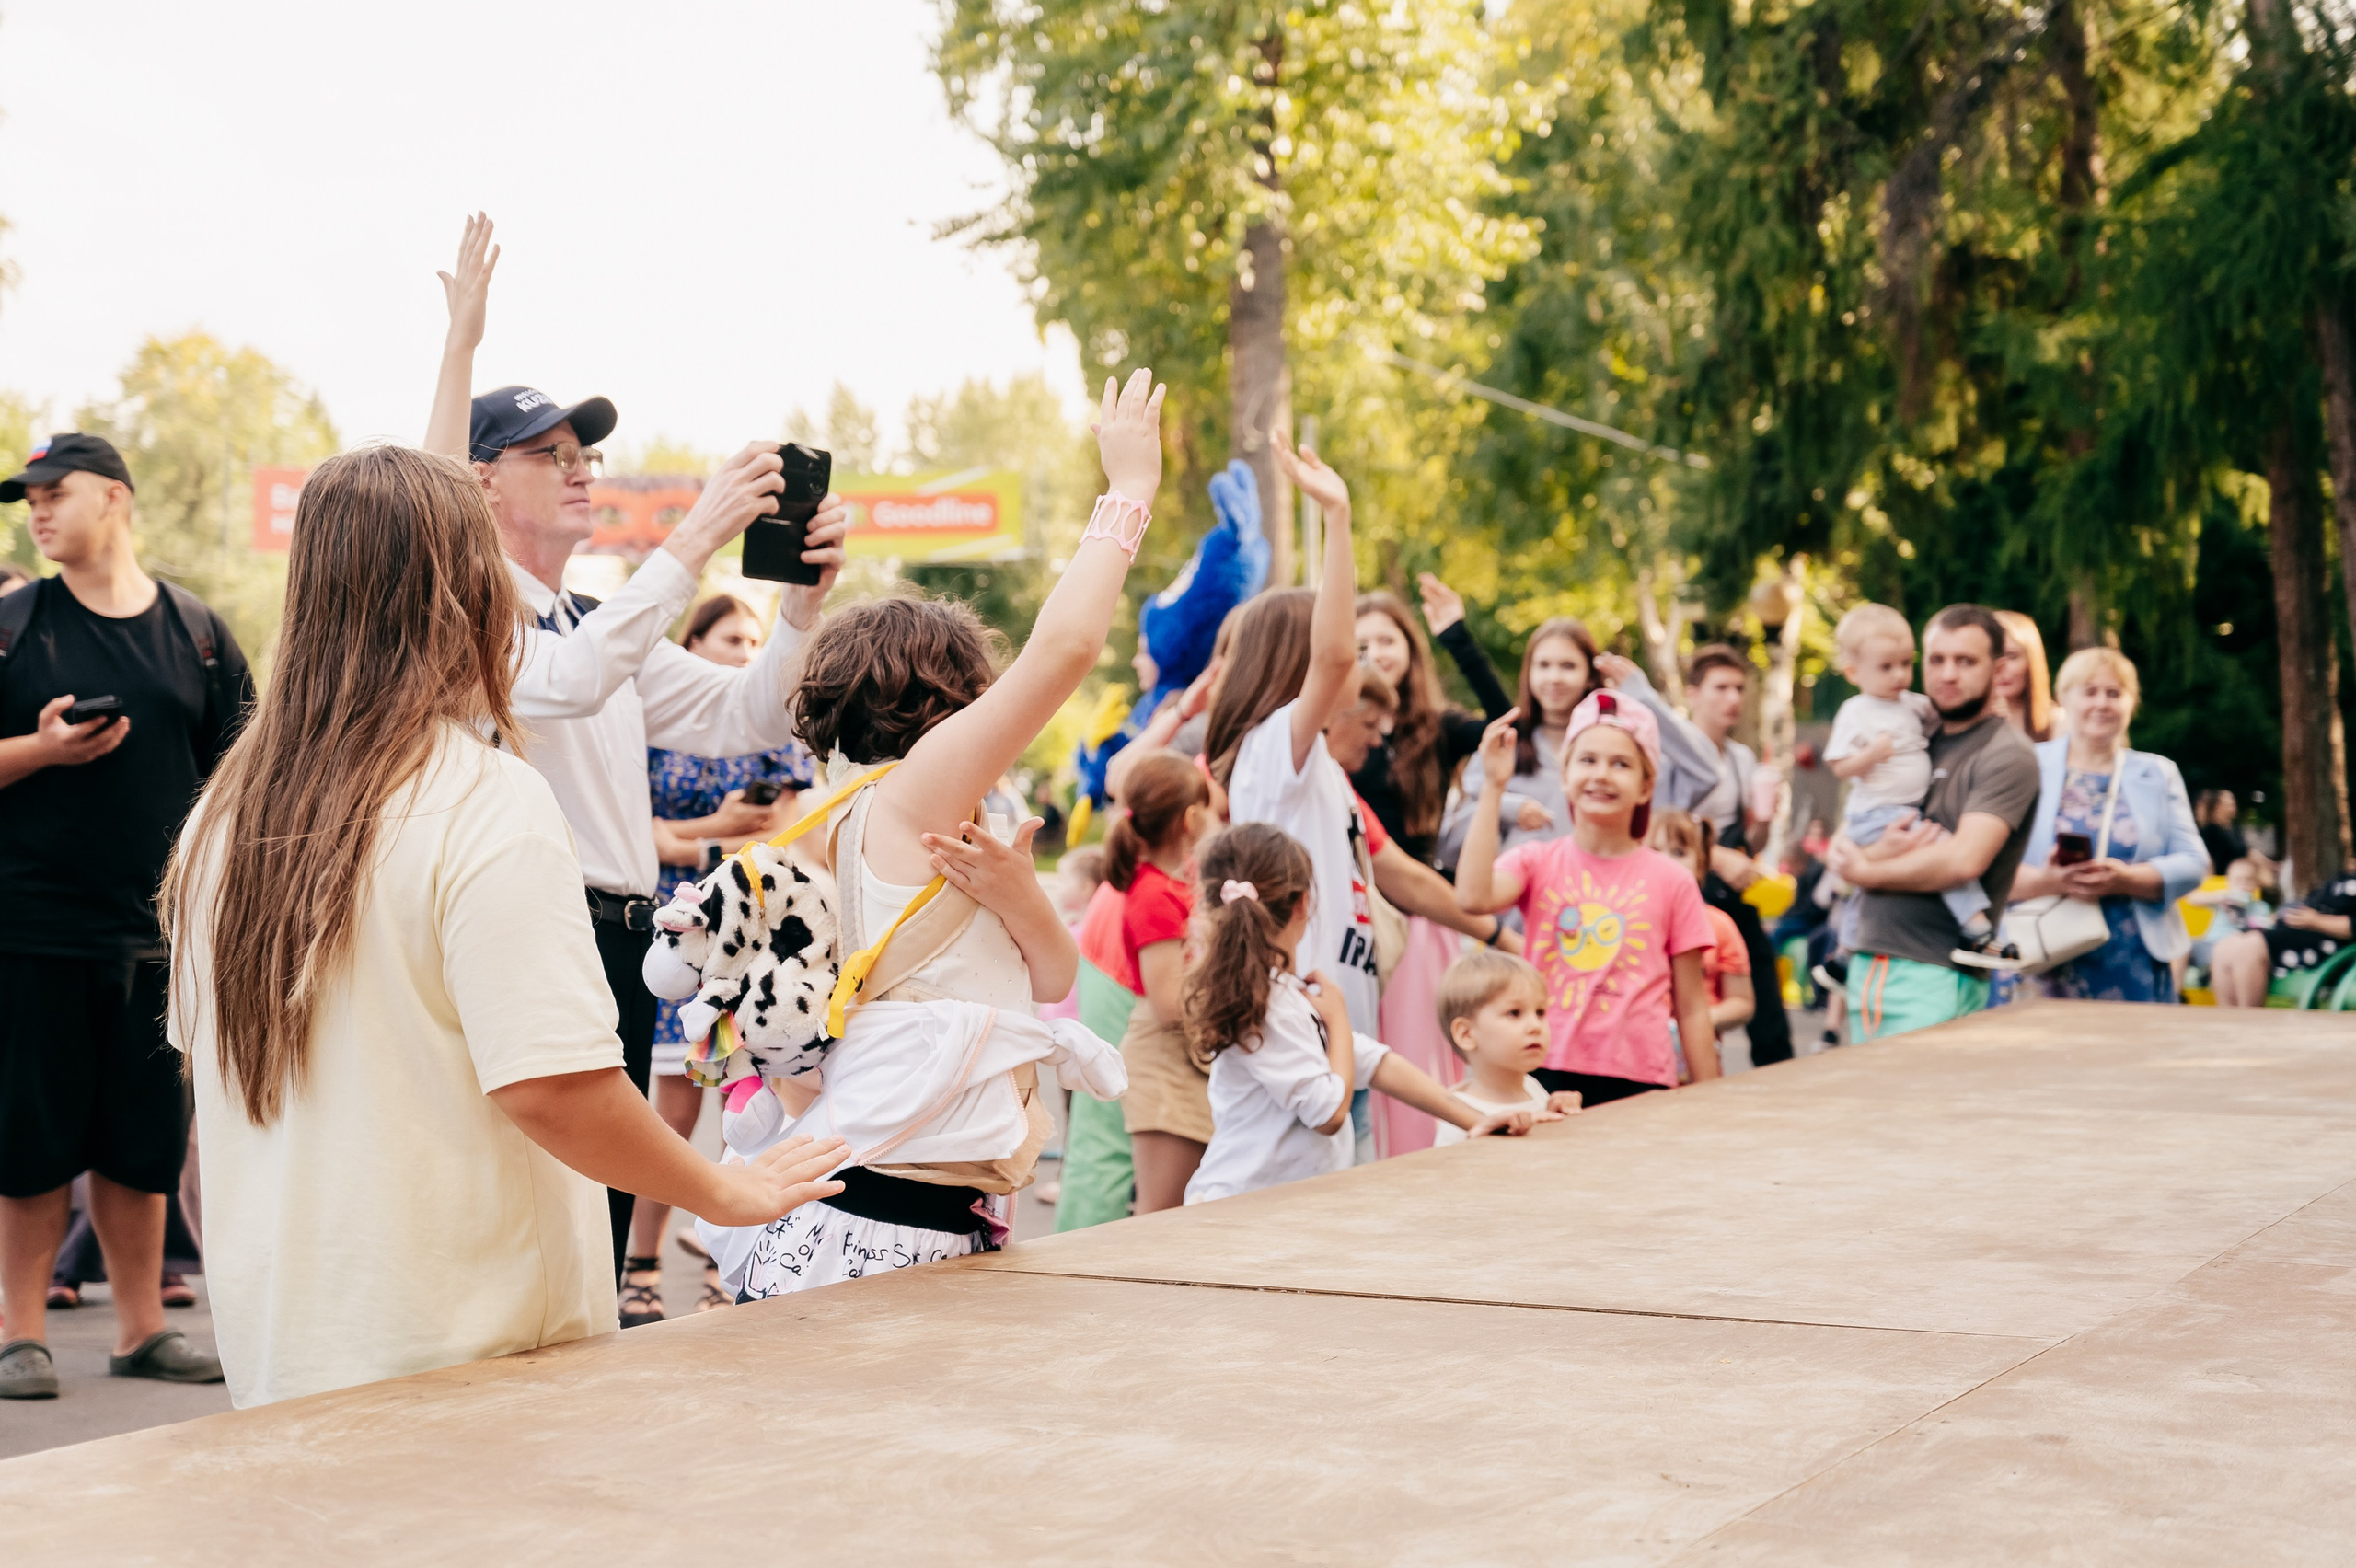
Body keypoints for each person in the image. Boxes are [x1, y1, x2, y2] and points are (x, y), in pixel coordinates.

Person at [161, 445, 847, 1408]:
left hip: (288, 1343)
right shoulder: (482, 800)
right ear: (469, 591)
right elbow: (555, 1087)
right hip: (465, 1348)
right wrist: (727, 1189)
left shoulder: (222, 817)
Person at [422, 213, 852, 1280]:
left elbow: (745, 716)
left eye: (586, 455)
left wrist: (798, 607)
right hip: (533, 928)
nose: (580, 472)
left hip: (616, 933)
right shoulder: (463, 616)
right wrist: (695, 535)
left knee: (596, 1230)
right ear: (479, 482)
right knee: (531, 1219)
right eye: (549, 455)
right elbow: (562, 689)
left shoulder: (588, 620)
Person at [705, 368, 1163, 1299]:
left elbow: (1055, 982)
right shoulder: (911, 797)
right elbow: (1065, 651)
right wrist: (1128, 494)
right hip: (882, 1228)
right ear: (950, 707)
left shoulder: (897, 826)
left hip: (925, 1225)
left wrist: (1019, 896)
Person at [0, 432, 251, 1401]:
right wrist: (40, 750)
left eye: (53, 492)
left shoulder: (194, 629)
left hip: (157, 937)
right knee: (27, 1144)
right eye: (29, 500)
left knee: (141, 1143)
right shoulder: (15, 623)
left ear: (115, 497)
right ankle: (20, 1333)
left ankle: (142, 1327)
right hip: (31, 931)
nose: (37, 510)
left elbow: (244, 773)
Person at [1209, 439, 1504, 1045]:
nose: (1358, 660)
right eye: (1342, 644)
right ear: (1302, 661)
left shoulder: (1317, 764)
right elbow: (1339, 651)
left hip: (1346, 1032)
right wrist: (1338, 518)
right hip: (1309, 1035)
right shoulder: (1273, 751)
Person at [620, 594, 816, 1327]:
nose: (743, 650)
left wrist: (697, 838)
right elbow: (640, 834)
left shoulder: (766, 731)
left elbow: (789, 830)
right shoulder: (648, 722)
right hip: (669, 927)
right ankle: (641, 1262)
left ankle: (724, 1254)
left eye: (752, 640)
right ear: (692, 642)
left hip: (750, 930)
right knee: (668, 1109)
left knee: (752, 1102)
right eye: (730, 637)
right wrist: (720, 830)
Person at [1181, 824, 1537, 1205]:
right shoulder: (1265, 1004)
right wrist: (1337, 1020)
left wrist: (1474, 1118)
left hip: (1278, 1205)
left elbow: (1372, 1061)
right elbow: (1328, 1112)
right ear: (1302, 904)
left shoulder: (1287, 994)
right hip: (1239, 1207)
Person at [1455, 691, 1721, 1105]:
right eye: (1588, 760)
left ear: (1646, 785)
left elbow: (1692, 1008)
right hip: (1544, 1070)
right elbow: (1472, 897)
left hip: (1641, 1080)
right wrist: (1493, 788)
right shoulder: (1535, 860)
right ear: (1565, 775)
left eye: (1621, 764)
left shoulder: (1674, 880)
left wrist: (1710, 1103)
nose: (1602, 774)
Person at [1317, 663, 1512, 1154]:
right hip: (1321, 1004)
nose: (1376, 743)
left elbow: (1409, 879)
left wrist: (1501, 937)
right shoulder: (1296, 772)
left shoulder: (1341, 788)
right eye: (1367, 727)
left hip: (1356, 994)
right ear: (1335, 711)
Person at [1826, 606, 2042, 1040]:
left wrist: (1867, 869)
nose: (1947, 674)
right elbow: (1844, 842)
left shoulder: (2006, 754)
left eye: (1965, 661)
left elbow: (1964, 861)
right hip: (1893, 963)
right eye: (1937, 659)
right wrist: (1861, 855)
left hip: (1926, 969)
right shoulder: (1915, 734)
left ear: (1998, 670)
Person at [1607, 644, 1796, 1066]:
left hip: (1732, 895)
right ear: (1693, 693)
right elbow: (1657, 832)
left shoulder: (1744, 758)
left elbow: (1753, 841)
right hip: (1683, 889)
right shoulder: (1671, 755)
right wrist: (1716, 856)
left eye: (1739, 688)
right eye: (1721, 687)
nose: (1733, 698)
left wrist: (1766, 819)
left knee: (1764, 1004)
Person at [2004, 648, 2208, 1003]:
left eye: (2115, 693)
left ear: (2132, 704)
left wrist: (2127, 880)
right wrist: (2046, 881)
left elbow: (2193, 862)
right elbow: (1988, 865)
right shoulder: (2027, 765)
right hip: (2042, 955)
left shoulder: (2158, 773)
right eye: (2090, 691)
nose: (2102, 703)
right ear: (2063, 697)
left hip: (2132, 959)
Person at [1103, 750, 1218, 1212]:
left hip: (1181, 1059)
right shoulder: (1153, 893)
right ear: (1191, 818)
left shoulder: (1169, 884)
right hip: (1166, 1061)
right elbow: (1170, 1004)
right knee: (1160, 1216)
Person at [1349, 576, 1514, 865]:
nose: (1375, 654)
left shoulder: (1440, 726)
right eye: (1363, 645)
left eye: (1386, 641)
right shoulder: (1334, 728)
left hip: (1420, 895)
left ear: (1409, 649)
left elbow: (1508, 728)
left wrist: (1458, 639)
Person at [1436, 617, 1599, 869]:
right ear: (1529, 673)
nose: (1554, 677)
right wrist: (1509, 809)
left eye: (1568, 666)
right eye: (1543, 665)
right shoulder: (1505, 742)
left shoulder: (1607, 747)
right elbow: (1450, 839)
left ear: (1590, 675)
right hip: (1514, 897)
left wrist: (1640, 693)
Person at [1428, 950, 1581, 1148]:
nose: (1535, 1025)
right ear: (1466, 1034)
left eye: (1540, 1012)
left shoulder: (1531, 1087)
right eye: (1514, 1013)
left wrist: (1559, 1111)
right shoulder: (1458, 1114)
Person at [1648, 811, 1756, 1049]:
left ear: (1701, 863)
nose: (1666, 862)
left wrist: (1699, 1020)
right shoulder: (1627, 921)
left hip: (1697, 1056)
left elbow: (1742, 1001)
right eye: (1654, 851)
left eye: (1679, 852)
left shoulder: (1720, 926)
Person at [2211, 866, 2356, 1006]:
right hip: (2294, 932)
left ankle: (2248, 1020)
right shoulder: (2342, 877)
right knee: (2226, 946)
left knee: (2251, 946)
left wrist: (2315, 920)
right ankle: (2230, 1020)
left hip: (2327, 947)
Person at [1991, 609, 2058, 744]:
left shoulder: (2058, 723)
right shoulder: (1961, 723)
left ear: (2031, 663)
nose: (2001, 666)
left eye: (2011, 656)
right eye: (1994, 655)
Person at [2197, 790, 2250, 877]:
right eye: (2229, 804)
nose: (2233, 806)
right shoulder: (2211, 830)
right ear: (2217, 806)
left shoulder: (2234, 830)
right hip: (2219, 880)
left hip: (2234, 878)